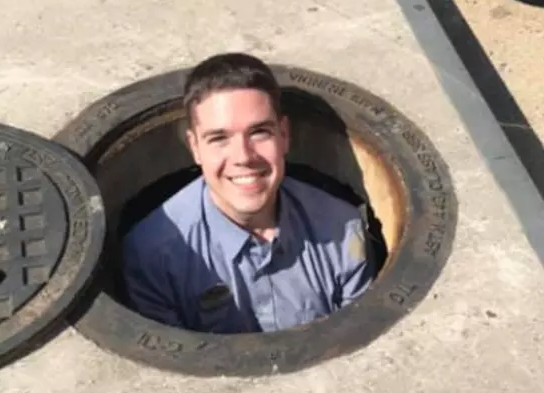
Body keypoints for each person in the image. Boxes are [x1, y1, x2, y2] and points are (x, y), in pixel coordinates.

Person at [122, 52, 375, 333]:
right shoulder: (152, 253)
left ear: (284, 135)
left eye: (259, 132)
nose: (243, 156)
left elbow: (359, 344)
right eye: (219, 138)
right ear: (194, 147)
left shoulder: (342, 228)